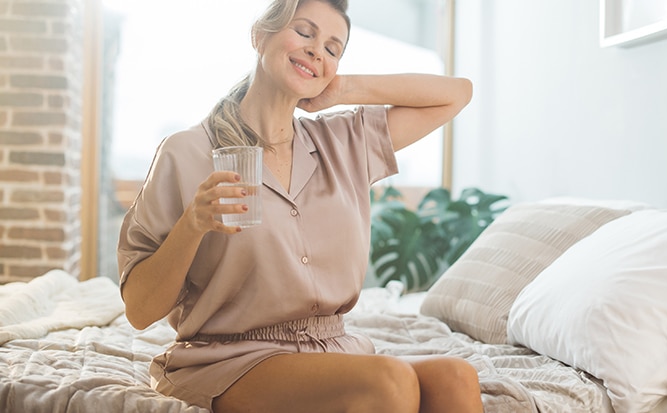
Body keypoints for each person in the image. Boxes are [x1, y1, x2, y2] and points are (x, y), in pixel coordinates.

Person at [117, 0, 481, 412]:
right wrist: (193, 224)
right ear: (260, 36)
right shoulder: (186, 153)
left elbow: (457, 94)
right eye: (305, 33)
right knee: (388, 381)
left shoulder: (344, 142)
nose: (316, 51)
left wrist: (342, 88)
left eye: (332, 48)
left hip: (332, 348)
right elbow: (140, 310)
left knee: (456, 377)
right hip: (231, 358)